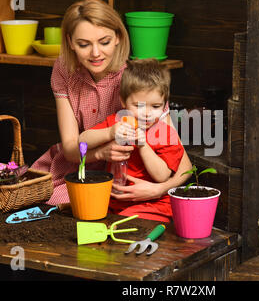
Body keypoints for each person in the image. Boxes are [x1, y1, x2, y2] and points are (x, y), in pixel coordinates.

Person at [31, 0, 192, 208]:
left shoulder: (136, 80)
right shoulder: (64, 69)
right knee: (35, 200)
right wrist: (100, 152)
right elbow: (71, 149)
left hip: (121, 176)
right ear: (70, 42)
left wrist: (158, 190)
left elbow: (184, 162)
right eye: (83, 44)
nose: (96, 53)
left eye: (104, 42)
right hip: (76, 164)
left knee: (86, 206)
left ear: (117, 37)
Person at [79, 59, 184, 222]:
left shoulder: (166, 134)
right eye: (139, 105)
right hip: (113, 201)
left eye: (155, 106)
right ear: (123, 101)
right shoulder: (117, 122)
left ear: (164, 105)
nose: (147, 113)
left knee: (121, 226)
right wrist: (110, 132)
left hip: (152, 205)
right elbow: (82, 141)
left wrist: (143, 145)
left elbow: (162, 176)